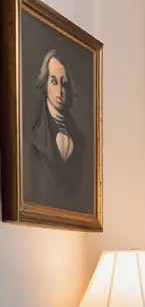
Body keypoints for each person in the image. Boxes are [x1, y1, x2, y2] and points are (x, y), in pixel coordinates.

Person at [26, 49, 90, 213]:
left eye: (64, 83)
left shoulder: (79, 138)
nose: (60, 91)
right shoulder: (33, 133)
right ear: (45, 84)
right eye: (54, 81)